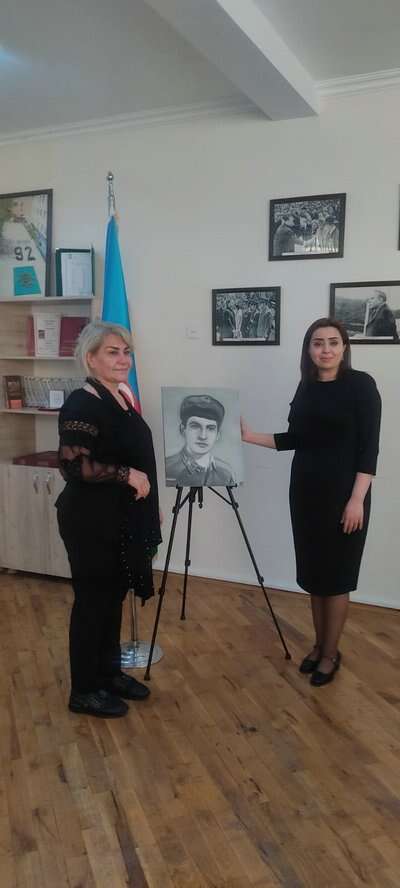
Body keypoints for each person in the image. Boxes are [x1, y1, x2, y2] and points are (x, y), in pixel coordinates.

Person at [241, 318, 381, 686]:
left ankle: (331, 654)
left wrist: (357, 500)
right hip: (305, 494)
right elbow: (295, 439)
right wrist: (249, 436)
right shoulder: (306, 386)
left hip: (345, 496)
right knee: (316, 576)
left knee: (337, 577)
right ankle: (320, 647)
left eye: (333, 342)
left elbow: (369, 449)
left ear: (344, 347)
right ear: (309, 349)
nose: (326, 349)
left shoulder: (361, 385)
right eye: (318, 343)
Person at [56, 321, 162, 718]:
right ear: (90, 358)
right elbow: (73, 466)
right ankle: (84, 690)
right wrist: (127, 475)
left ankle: (108, 673)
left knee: (113, 597)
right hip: (89, 521)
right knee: (92, 602)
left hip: (120, 517)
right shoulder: (81, 403)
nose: (123, 359)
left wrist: (148, 504)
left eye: (126, 352)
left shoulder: (119, 396)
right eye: (113, 352)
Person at [165, 394, 236, 487]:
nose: (203, 436)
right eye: (195, 426)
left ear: (218, 435)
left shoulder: (226, 473)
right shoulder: (167, 468)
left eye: (210, 428)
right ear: (183, 430)